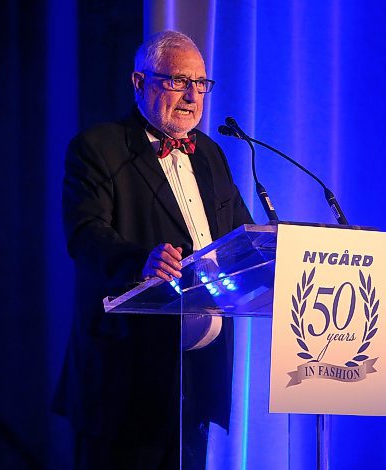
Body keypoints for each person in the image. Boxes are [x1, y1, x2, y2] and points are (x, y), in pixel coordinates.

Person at [53, 30, 253, 469]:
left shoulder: (211, 156)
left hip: (197, 379)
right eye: (178, 81)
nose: (192, 95)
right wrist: (140, 262)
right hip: (125, 377)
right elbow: (85, 233)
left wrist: (270, 249)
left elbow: (241, 235)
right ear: (139, 82)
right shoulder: (101, 149)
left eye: (201, 84)